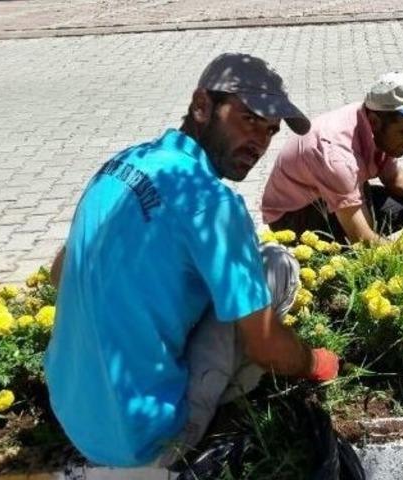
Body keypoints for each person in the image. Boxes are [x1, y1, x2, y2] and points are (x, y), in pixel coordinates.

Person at [43, 53, 339, 468]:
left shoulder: (119, 164)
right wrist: (317, 362)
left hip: (69, 409)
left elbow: (60, 273)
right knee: (275, 265)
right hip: (146, 440)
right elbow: (268, 346)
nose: (260, 142)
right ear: (202, 105)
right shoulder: (214, 205)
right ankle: (213, 409)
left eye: (270, 131)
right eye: (249, 120)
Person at [261, 72, 403, 244]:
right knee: (368, 242)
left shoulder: (374, 120)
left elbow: (394, 178)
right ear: (374, 122)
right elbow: (362, 240)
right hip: (296, 216)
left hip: (336, 190)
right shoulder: (337, 156)